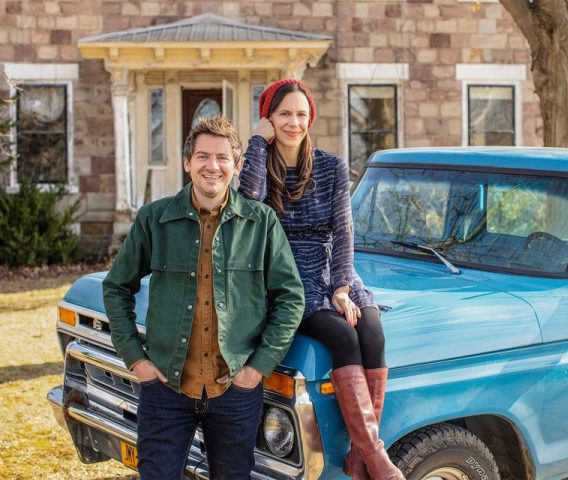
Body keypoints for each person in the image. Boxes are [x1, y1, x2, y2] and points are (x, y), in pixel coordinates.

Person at [103, 116, 305, 480]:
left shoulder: (261, 223)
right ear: (187, 163)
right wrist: (136, 360)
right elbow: (116, 286)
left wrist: (257, 368)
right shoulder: (154, 219)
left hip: (235, 390)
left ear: (237, 165)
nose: (213, 166)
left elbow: (291, 298)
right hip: (166, 389)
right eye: (202, 156)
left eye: (222, 157)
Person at [239, 78, 404, 480]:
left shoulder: (331, 166)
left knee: (372, 331)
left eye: (301, 114)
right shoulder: (260, 163)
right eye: (284, 114)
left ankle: (361, 456)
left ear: (310, 118)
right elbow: (247, 202)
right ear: (269, 118)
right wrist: (256, 142)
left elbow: (344, 230)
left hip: (332, 266)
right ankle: (374, 456)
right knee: (342, 336)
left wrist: (342, 288)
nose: (294, 123)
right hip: (285, 271)